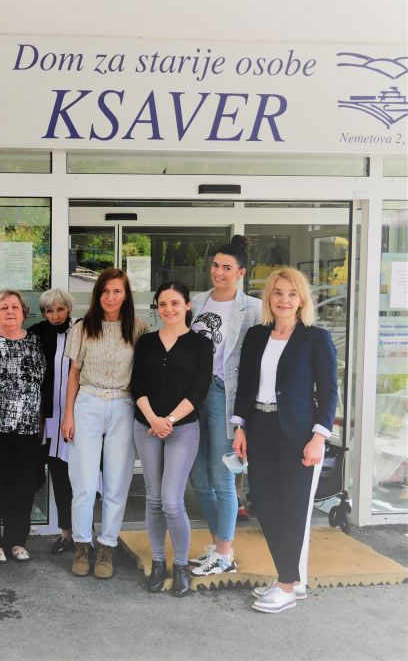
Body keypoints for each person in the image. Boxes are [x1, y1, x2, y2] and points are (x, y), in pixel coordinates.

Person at [232, 268, 338, 614]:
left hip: (298, 433)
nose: (284, 300)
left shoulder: (316, 338)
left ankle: (286, 586)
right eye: (278, 293)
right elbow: (246, 385)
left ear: (302, 300)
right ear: (269, 298)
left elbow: (329, 391)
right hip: (259, 427)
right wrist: (239, 426)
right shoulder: (256, 336)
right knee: (264, 504)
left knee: (292, 509)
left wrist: (319, 437)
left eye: (292, 294)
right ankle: (289, 578)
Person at [61, 268, 147, 579]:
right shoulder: (83, 328)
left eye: (117, 291)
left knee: (116, 483)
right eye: (105, 291)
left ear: (126, 295)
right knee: (84, 483)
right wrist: (68, 415)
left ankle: (107, 546)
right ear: (98, 295)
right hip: (88, 403)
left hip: (123, 405)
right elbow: (73, 375)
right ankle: (82, 545)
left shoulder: (138, 329)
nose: (110, 297)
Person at [130, 282, 213, 596]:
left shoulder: (201, 344)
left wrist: (170, 421)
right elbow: (137, 385)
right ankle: (158, 562)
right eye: (162, 304)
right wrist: (153, 419)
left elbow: (199, 390)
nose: (168, 309)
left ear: (187, 305)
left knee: (171, 500)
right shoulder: (146, 342)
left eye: (175, 303)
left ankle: (180, 566)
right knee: (153, 499)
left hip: (183, 428)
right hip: (146, 426)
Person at [188, 235, 261, 576]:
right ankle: (219, 545)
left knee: (222, 478)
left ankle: (225, 553)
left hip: (225, 395)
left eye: (227, 268)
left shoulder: (253, 309)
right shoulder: (197, 301)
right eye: (215, 265)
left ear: (241, 273)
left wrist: (245, 418)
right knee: (198, 478)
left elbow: (258, 363)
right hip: (193, 395)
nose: (218, 272)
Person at [0, 290, 45, 563]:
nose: (10, 311)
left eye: (15, 307)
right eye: (3, 307)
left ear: (24, 313)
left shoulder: (35, 341)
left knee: (22, 487)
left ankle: (17, 540)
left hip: (27, 429)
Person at [28, 287, 78, 555]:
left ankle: (77, 533)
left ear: (68, 309)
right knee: (42, 473)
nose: (55, 316)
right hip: (45, 417)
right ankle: (60, 533)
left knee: (72, 477)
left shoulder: (81, 330)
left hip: (75, 416)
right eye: (49, 311)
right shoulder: (36, 333)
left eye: (60, 309)